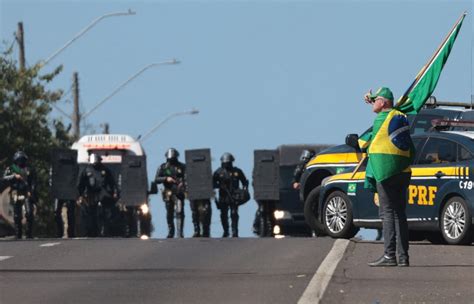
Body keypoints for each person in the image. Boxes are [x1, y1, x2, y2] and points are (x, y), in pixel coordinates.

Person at [363, 87, 414, 267]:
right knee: (400, 214)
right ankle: (403, 257)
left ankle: (389, 256)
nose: (373, 102)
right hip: (403, 171)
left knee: (387, 213)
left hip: (386, 172)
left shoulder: (381, 120)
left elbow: (365, 142)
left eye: (377, 100)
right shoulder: (400, 116)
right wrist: (372, 99)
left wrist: (355, 141)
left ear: (383, 102)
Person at [77, 153, 118, 237]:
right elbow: (81, 183)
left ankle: (106, 231)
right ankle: (91, 232)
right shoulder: (86, 170)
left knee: (107, 213)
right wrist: (80, 194)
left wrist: (114, 192)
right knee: (90, 214)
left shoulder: (105, 170)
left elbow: (112, 182)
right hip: (91, 194)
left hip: (103, 193)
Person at [213, 153, 249, 238]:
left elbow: (244, 182)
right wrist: (220, 186)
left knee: (234, 213)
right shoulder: (218, 172)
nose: (226, 164)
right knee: (223, 214)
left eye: (228, 163)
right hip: (223, 196)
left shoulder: (237, 171)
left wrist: (244, 192)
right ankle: (226, 231)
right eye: (225, 163)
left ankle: (235, 231)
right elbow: (212, 183)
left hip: (234, 195)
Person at [3, 151, 37, 239]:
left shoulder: (29, 170)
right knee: (17, 216)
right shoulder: (11, 169)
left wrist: (32, 192)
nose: (21, 162)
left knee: (29, 213)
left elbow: (34, 182)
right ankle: (19, 235)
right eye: (19, 160)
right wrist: (14, 176)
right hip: (16, 192)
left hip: (26, 193)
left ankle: (29, 234)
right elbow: (4, 178)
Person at [154, 148, 186, 238]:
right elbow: (156, 179)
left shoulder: (182, 166)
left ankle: (180, 232)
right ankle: (171, 231)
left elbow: (188, 177)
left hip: (179, 192)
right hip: (168, 193)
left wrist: (183, 183)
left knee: (179, 211)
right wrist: (166, 178)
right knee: (169, 212)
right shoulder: (163, 167)